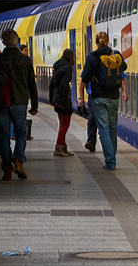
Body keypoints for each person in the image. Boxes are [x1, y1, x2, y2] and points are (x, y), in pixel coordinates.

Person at [0, 29, 39, 180]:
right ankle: (19, 161)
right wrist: (34, 106)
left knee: (3, 136)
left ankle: (7, 167)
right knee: (21, 134)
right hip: (20, 103)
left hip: (2, 103)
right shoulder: (25, 60)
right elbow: (31, 85)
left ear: (3, 43)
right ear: (17, 41)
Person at [79, 32, 126, 170]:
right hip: (114, 97)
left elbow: (85, 78)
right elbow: (123, 68)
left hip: (99, 98)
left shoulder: (92, 57)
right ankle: (112, 157)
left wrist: (81, 95)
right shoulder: (115, 55)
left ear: (96, 42)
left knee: (103, 130)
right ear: (107, 41)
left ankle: (110, 161)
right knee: (112, 129)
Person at [49, 48, 76, 157]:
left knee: (62, 124)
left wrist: (52, 99)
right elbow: (63, 85)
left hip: (57, 99)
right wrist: (61, 101)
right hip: (63, 100)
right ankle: (59, 147)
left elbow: (51, 84)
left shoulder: (58, 67)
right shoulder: (68, 68)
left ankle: (63, 147)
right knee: (65, 125)